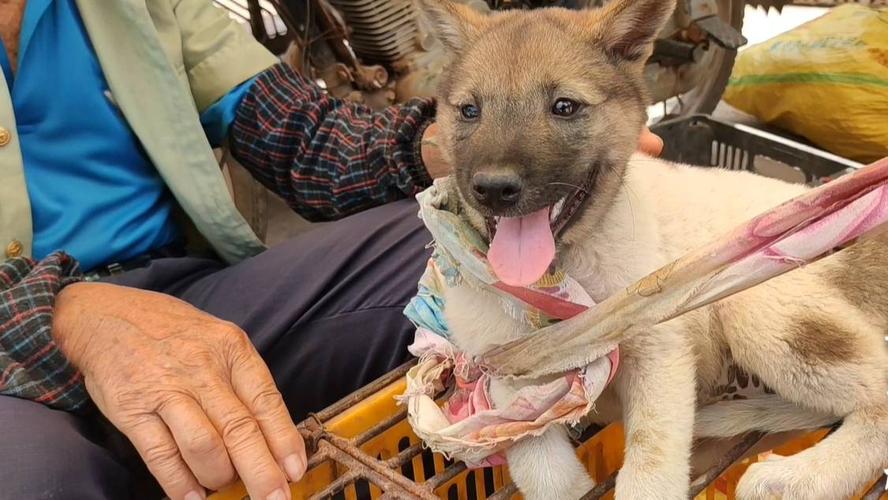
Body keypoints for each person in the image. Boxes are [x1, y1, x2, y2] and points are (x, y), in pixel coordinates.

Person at [0, 2, 663, 499]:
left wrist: (450, 146)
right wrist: (67, 312)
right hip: (13, 347)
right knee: (34, 477)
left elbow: (302, 138)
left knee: (446, 252)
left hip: (179, 293)